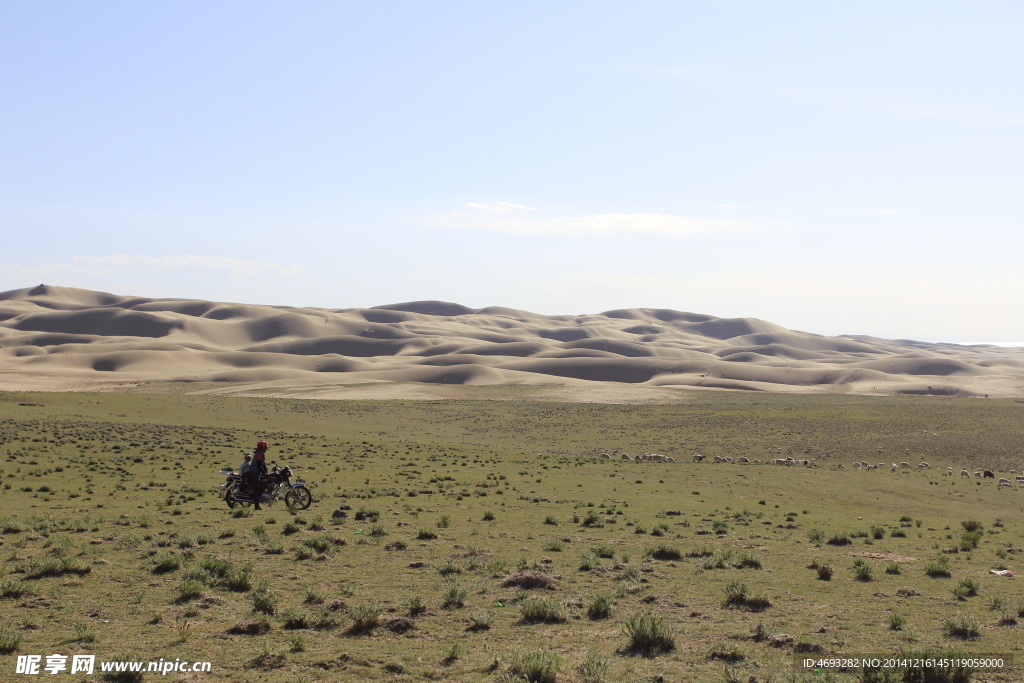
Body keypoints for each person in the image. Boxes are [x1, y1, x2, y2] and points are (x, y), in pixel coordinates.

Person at [250, 440, 269, 510]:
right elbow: (259, 465)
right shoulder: (260, 453)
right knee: (256, 489)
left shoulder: (259, 453)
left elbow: (263, 464)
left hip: (257, 472)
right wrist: (264, 473)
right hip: (254, 473)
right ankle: (256, 506)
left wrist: (267, 473)